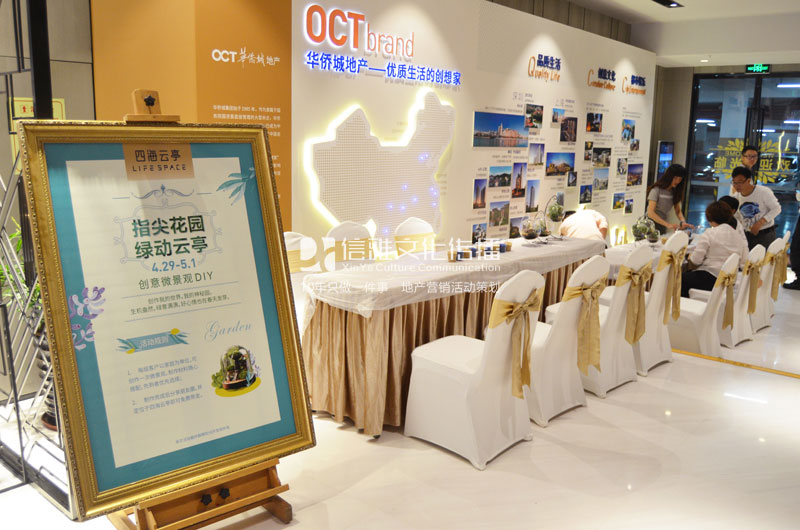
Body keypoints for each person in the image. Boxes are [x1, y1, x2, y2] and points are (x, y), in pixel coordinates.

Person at [681, 201, 749, 297]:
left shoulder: (709, 233)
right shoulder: (739, 237)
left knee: (680, 278)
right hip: (730, 280)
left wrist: (690, 257)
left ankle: (684, 304)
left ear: (709, 218)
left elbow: (696, 260)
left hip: (711, 277)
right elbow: (744, 262)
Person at [729, 166, 781, 250]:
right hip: (746, 235)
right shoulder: (736, 197)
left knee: (764, 257)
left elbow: (777, 209)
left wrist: (760, 222)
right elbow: (737, 217)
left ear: (748, 180)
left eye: (740, 182)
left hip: (765, 234)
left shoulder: (763, 192)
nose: (736, 186)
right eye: (734, 182)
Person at [646, 164, 693, 234]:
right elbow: (650, 213)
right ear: (669, 177)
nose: (677, 181)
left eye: (680, 179)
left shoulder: (674, 192)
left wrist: (683, 222)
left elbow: (678, 211)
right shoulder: (656, 190)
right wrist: (668, 225)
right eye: (675, 178)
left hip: (662, 224)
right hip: (649, 224)